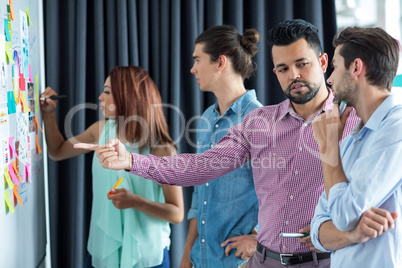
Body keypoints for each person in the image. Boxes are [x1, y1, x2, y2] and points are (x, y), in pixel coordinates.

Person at [76, 20, 394, 268]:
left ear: (323, 62)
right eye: (283, 69)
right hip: (264, 261)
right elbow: (198, 167)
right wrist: (132, 160)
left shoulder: (356, 123)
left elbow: (373, 193)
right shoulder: (258, 123)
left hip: (325, 261)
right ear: (275, 73)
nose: (293, 75)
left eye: (302, 64)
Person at [41, 66, 184, 268]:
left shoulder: (162, 150)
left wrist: (135, 202)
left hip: (147, 259)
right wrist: (48, 114)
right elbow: (57, 151)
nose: (100, 97)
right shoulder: (99, 131)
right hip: (102, 253)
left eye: (107, 92)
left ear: (127, 97)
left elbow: (177, 213)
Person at [310, 27, 401, 267]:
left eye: (335, 66)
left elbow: (343, 215)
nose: (329, 79)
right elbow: (317, 229)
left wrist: (329, 148)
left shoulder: (396, 129)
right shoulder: (352, 138)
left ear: (356, 67)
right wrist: (351, 235)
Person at [179, 25, 262, 268]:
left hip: (238, 263)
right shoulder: (206, 118)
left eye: (197, 60)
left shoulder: (258, 119)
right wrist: (186, 256)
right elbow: (199, 195)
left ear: (220, 62)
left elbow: (282, 194)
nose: (192, 68)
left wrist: (261, 241)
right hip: (201, 261)